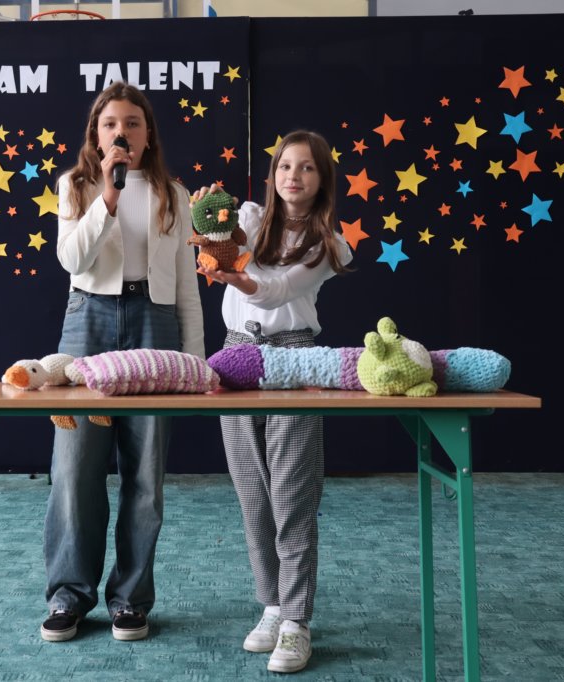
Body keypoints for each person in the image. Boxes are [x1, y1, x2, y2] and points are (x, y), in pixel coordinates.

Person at [40, 81, 203, 644]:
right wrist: (106, 201)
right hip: (88, 320)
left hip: (154, 322)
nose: (122, 132)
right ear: (96, 134)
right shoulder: (76, 185)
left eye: (133, 123)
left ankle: (130, 599)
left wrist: (196, 362)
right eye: (110, 123)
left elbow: (186, 286)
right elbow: (72, 259)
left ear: (148, 134)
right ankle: (69, 595)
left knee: (145, 474)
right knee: (74, 470)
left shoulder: (173, 193)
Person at [194, 130, 353, 674]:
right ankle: (272, 605)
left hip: (294, 357)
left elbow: (280, 290)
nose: (294, 176)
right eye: (286, 166)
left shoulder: (329, 244)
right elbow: (214, 236)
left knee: (292, 490)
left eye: (306, 168)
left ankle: (297, 620)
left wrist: (235, 276)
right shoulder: (250, 218)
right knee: (252, 489)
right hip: (235, 353)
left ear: (322, 179)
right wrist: (207, 222)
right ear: (273, 174)